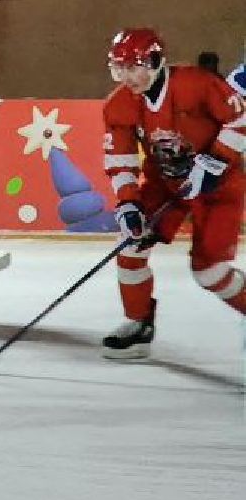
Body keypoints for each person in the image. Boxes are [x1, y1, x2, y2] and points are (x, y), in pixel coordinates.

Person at [99, 28, 246, 360]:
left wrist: (217, 160)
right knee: (131, 244)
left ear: (154, 60)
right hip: (165, 186)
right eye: (118, 67)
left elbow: (240, 118)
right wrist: (128, 202)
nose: (126, 76)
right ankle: (138, 325)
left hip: (219, 188)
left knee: (210, 272)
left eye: (133, 66)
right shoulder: (119, 105)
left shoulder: (196, 83)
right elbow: (120, 160)